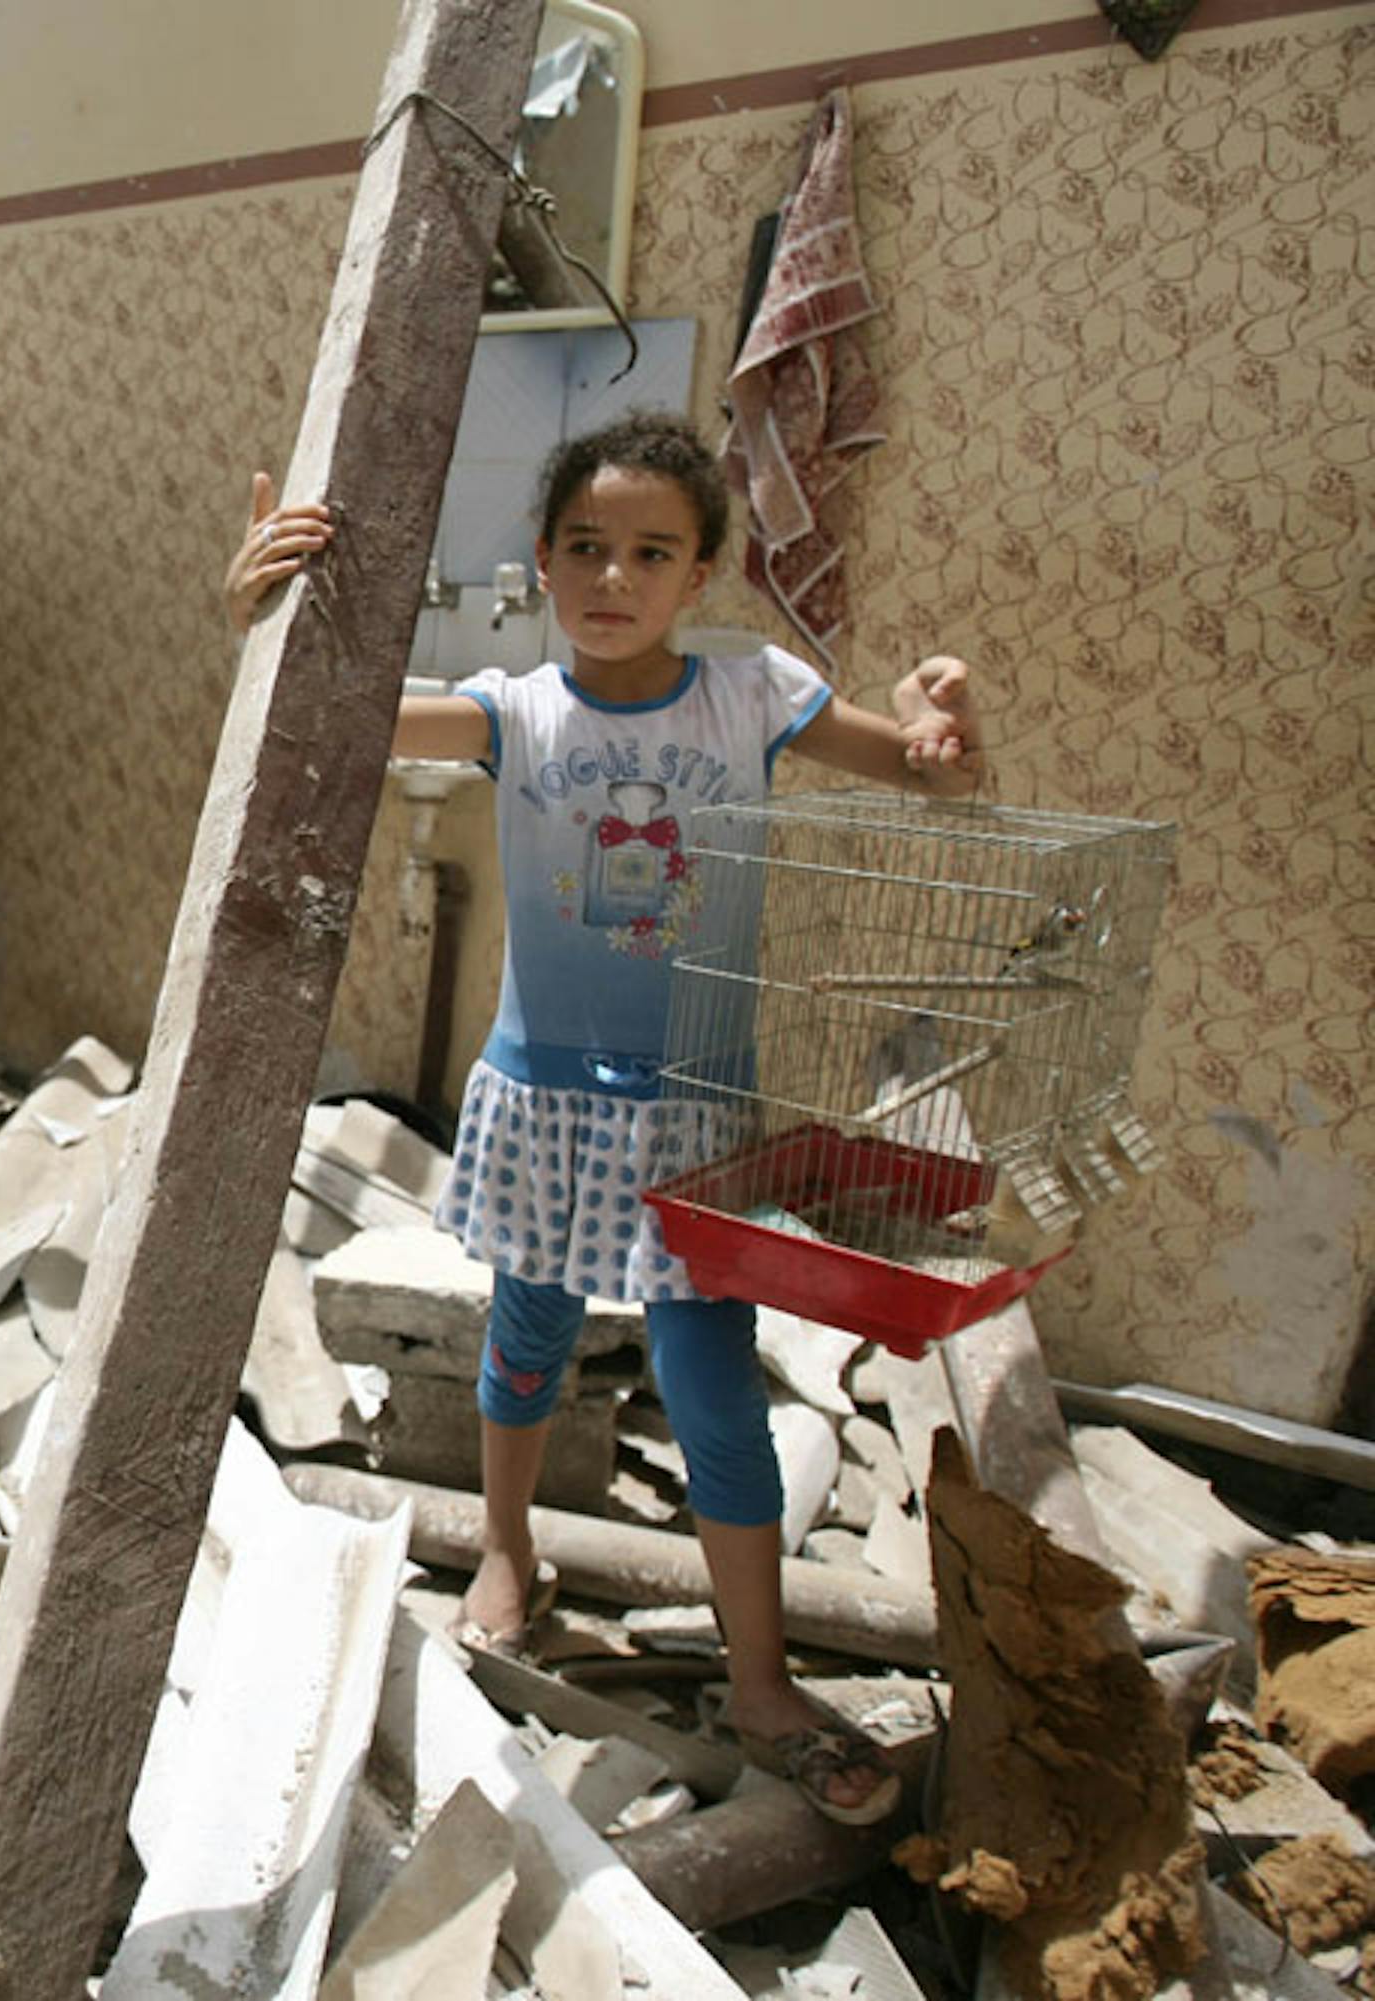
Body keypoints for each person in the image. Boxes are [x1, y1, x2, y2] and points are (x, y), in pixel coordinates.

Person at [223, 411, 982, 1826]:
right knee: (527, 1343)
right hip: (546, 1099)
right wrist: (260, 613)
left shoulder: (755, 693)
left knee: (713, 1388)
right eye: (585, 546)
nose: (613, 576)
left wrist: (947, 723)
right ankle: (507, 1549)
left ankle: (760, 1682)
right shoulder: (517, 712)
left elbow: (934, 771)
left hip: (696, 1115)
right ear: (542, 560)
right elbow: (331, 720)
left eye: (651, 551)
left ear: (700, 574)